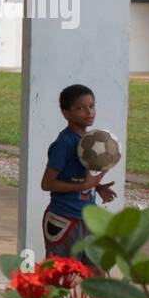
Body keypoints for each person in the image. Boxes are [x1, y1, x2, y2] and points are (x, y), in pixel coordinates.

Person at [39, 84, 116, 269]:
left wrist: (96, 186)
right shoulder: (63, 144)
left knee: (97, 272)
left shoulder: (90, 142)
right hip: (64, 220)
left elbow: (75, 177)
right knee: (59, 276)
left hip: (88, 219)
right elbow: (47, 183)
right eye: (80, 108)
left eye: (92, 106)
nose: (89, 112)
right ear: (65, 113)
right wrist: (82, 186)